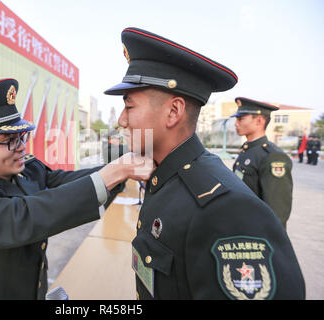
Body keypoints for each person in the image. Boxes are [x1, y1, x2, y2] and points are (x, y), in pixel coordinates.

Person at [104, 27, 305, 300]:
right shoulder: (165, 178)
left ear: (173, 112)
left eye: (129, 107)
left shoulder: (225, 210)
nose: (121, 121)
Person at [0, 78, 154, 300]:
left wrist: (123, 167)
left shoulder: (27, 170)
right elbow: (25, 216)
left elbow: (67, 183)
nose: (22, 147)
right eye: (9, 140)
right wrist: (115, 172)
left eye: (22, 136)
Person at [231, 97, 293, 228]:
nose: (236, 123)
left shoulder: (273, 157)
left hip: (256, 230)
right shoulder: (247, 150)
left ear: (259, 121)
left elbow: (277, 210)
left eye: (240, 119)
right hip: (242, 223)